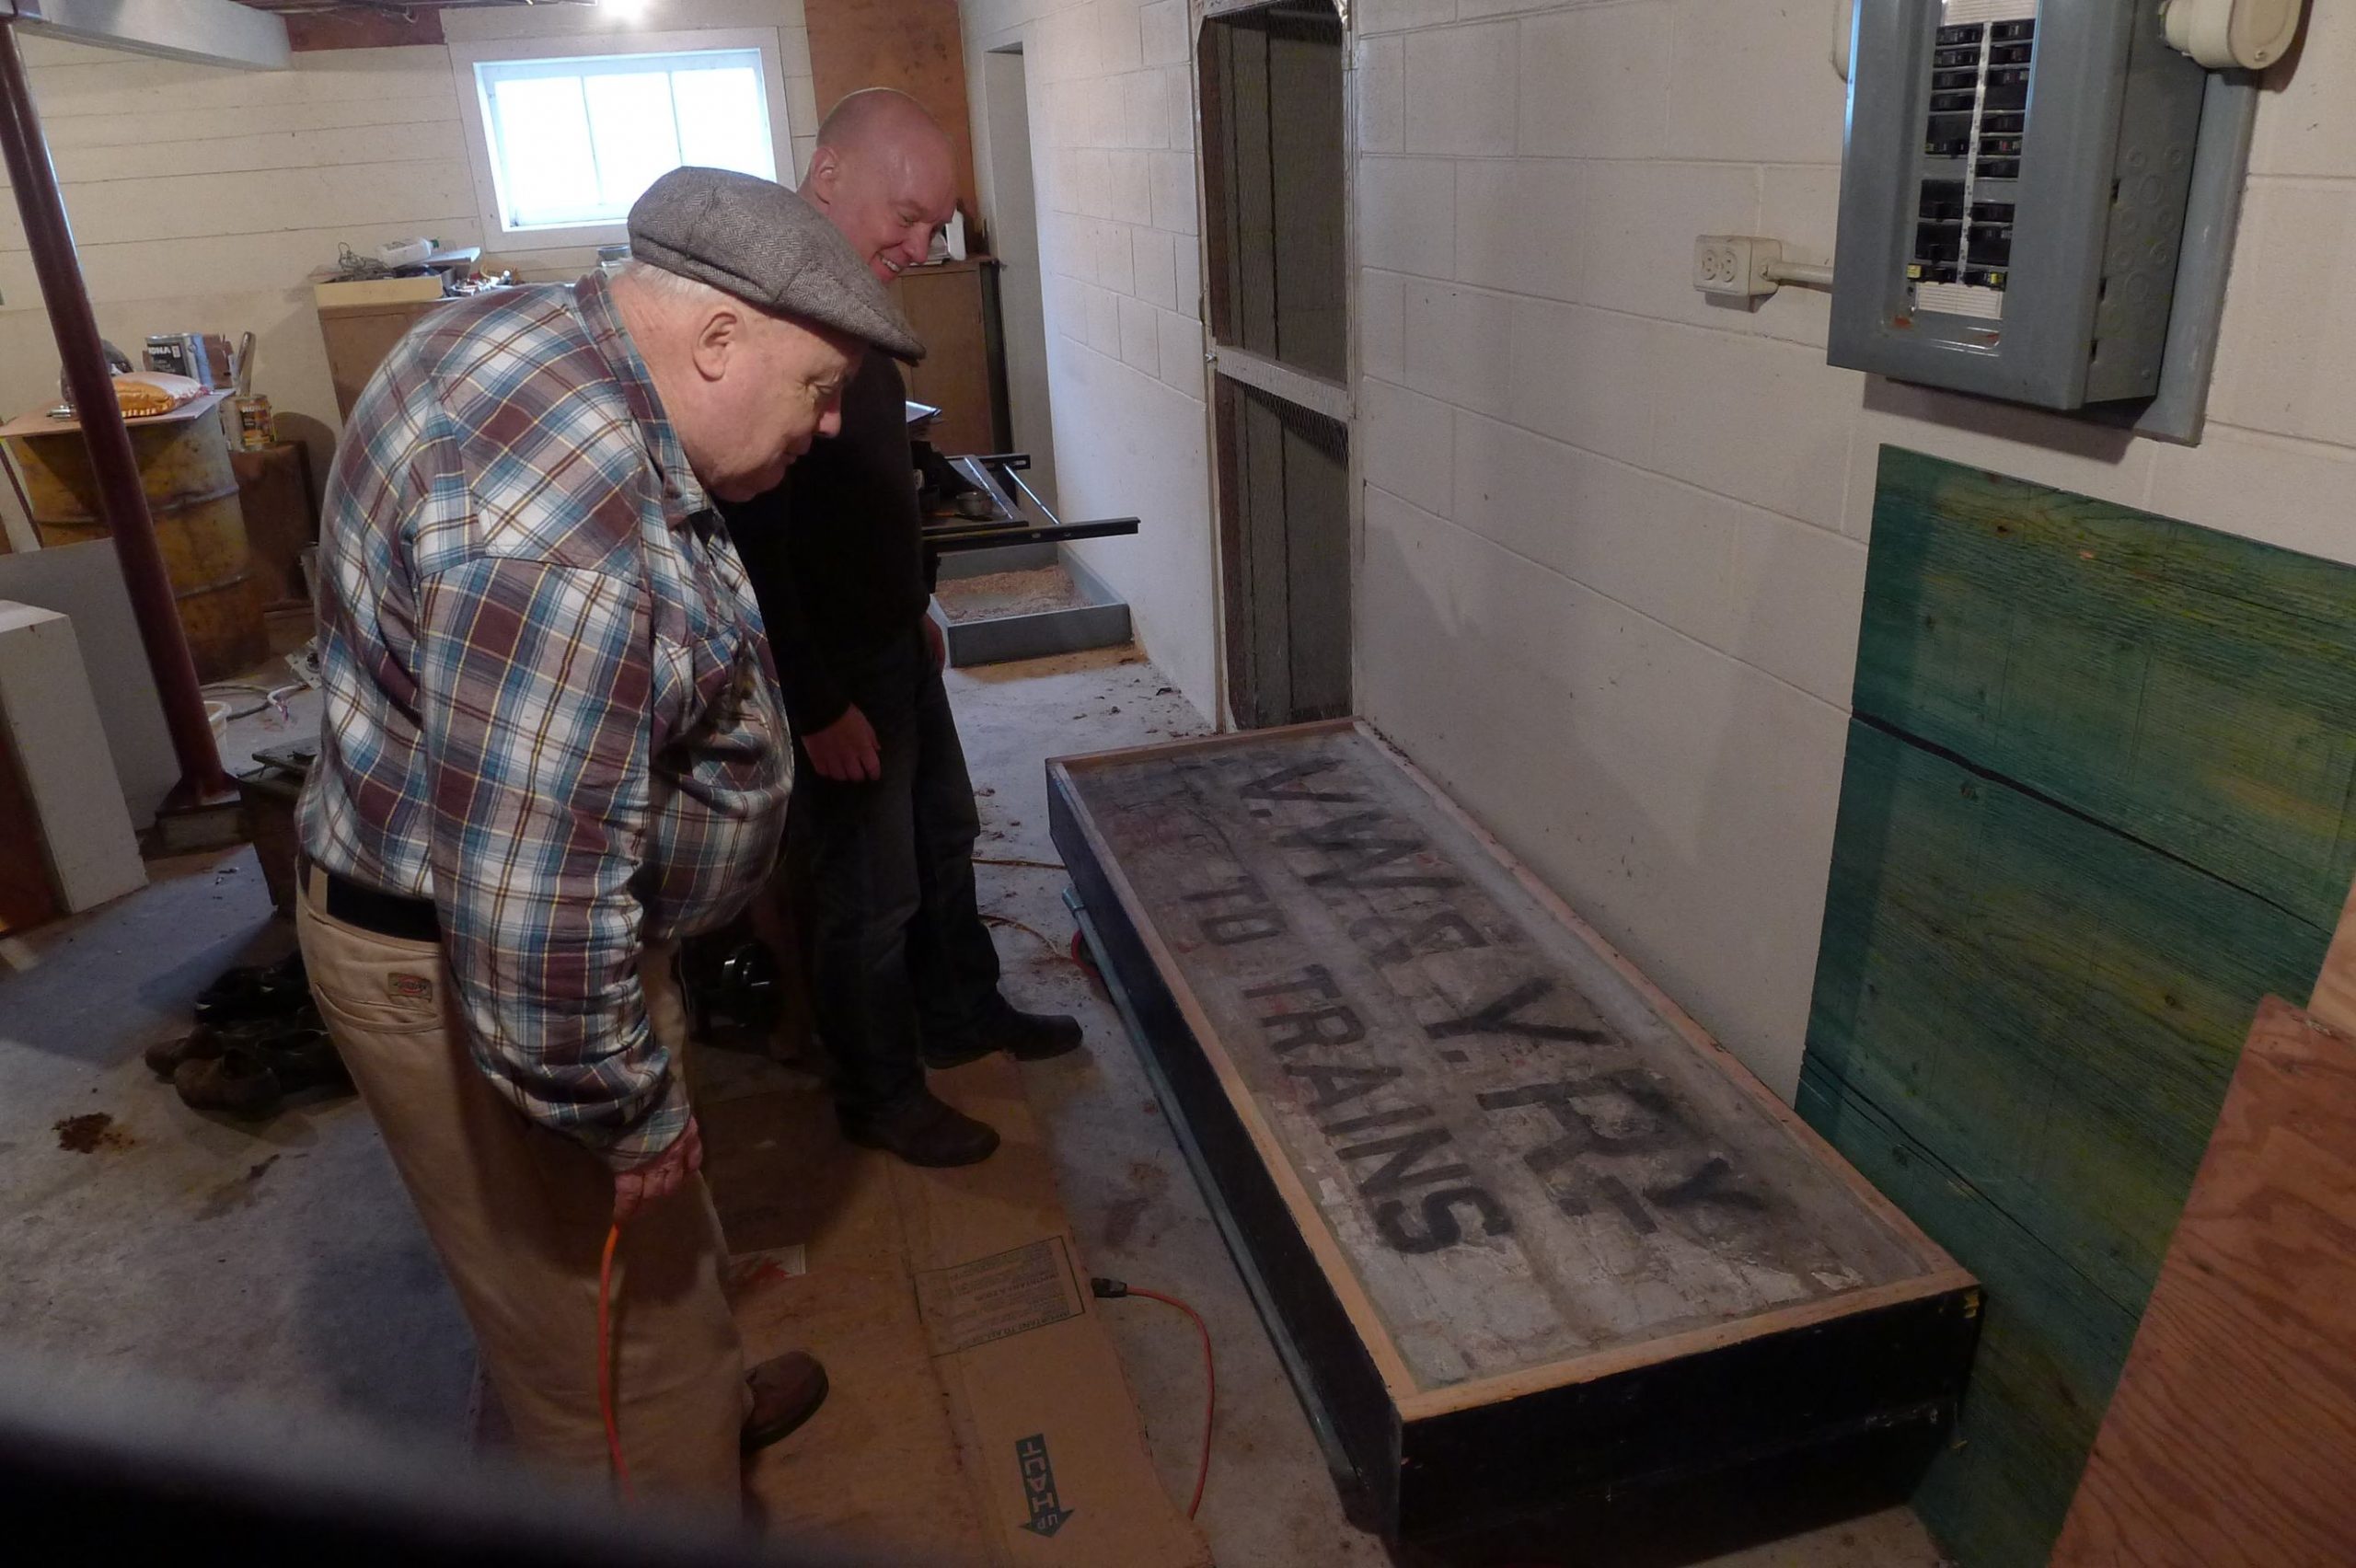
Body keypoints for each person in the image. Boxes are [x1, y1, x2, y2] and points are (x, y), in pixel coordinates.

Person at [294, 167, 923, 1502]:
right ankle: (663, 1462)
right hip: (485, 968)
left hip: (512, 915)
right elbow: (531, 921)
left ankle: (699, 1380)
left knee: (654, 1257)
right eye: (820, 388)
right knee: (605, 1355)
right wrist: (618, 1107)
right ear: (717, 339)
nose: (825, 428)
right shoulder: (558, 542)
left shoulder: (538, 337)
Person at [725, 90, 1081, 1170]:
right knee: (867, 896)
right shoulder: (775, 323)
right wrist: (814, 700)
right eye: (907, 215)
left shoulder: (855, 305)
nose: (920, 247)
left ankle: (961, 1012)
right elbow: (753, 543)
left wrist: (915, 599)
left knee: (943, 837)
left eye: (936, 225)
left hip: (890, 643)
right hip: (833, 670)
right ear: (829, 175)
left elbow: (878, 489)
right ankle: (879, 1091)